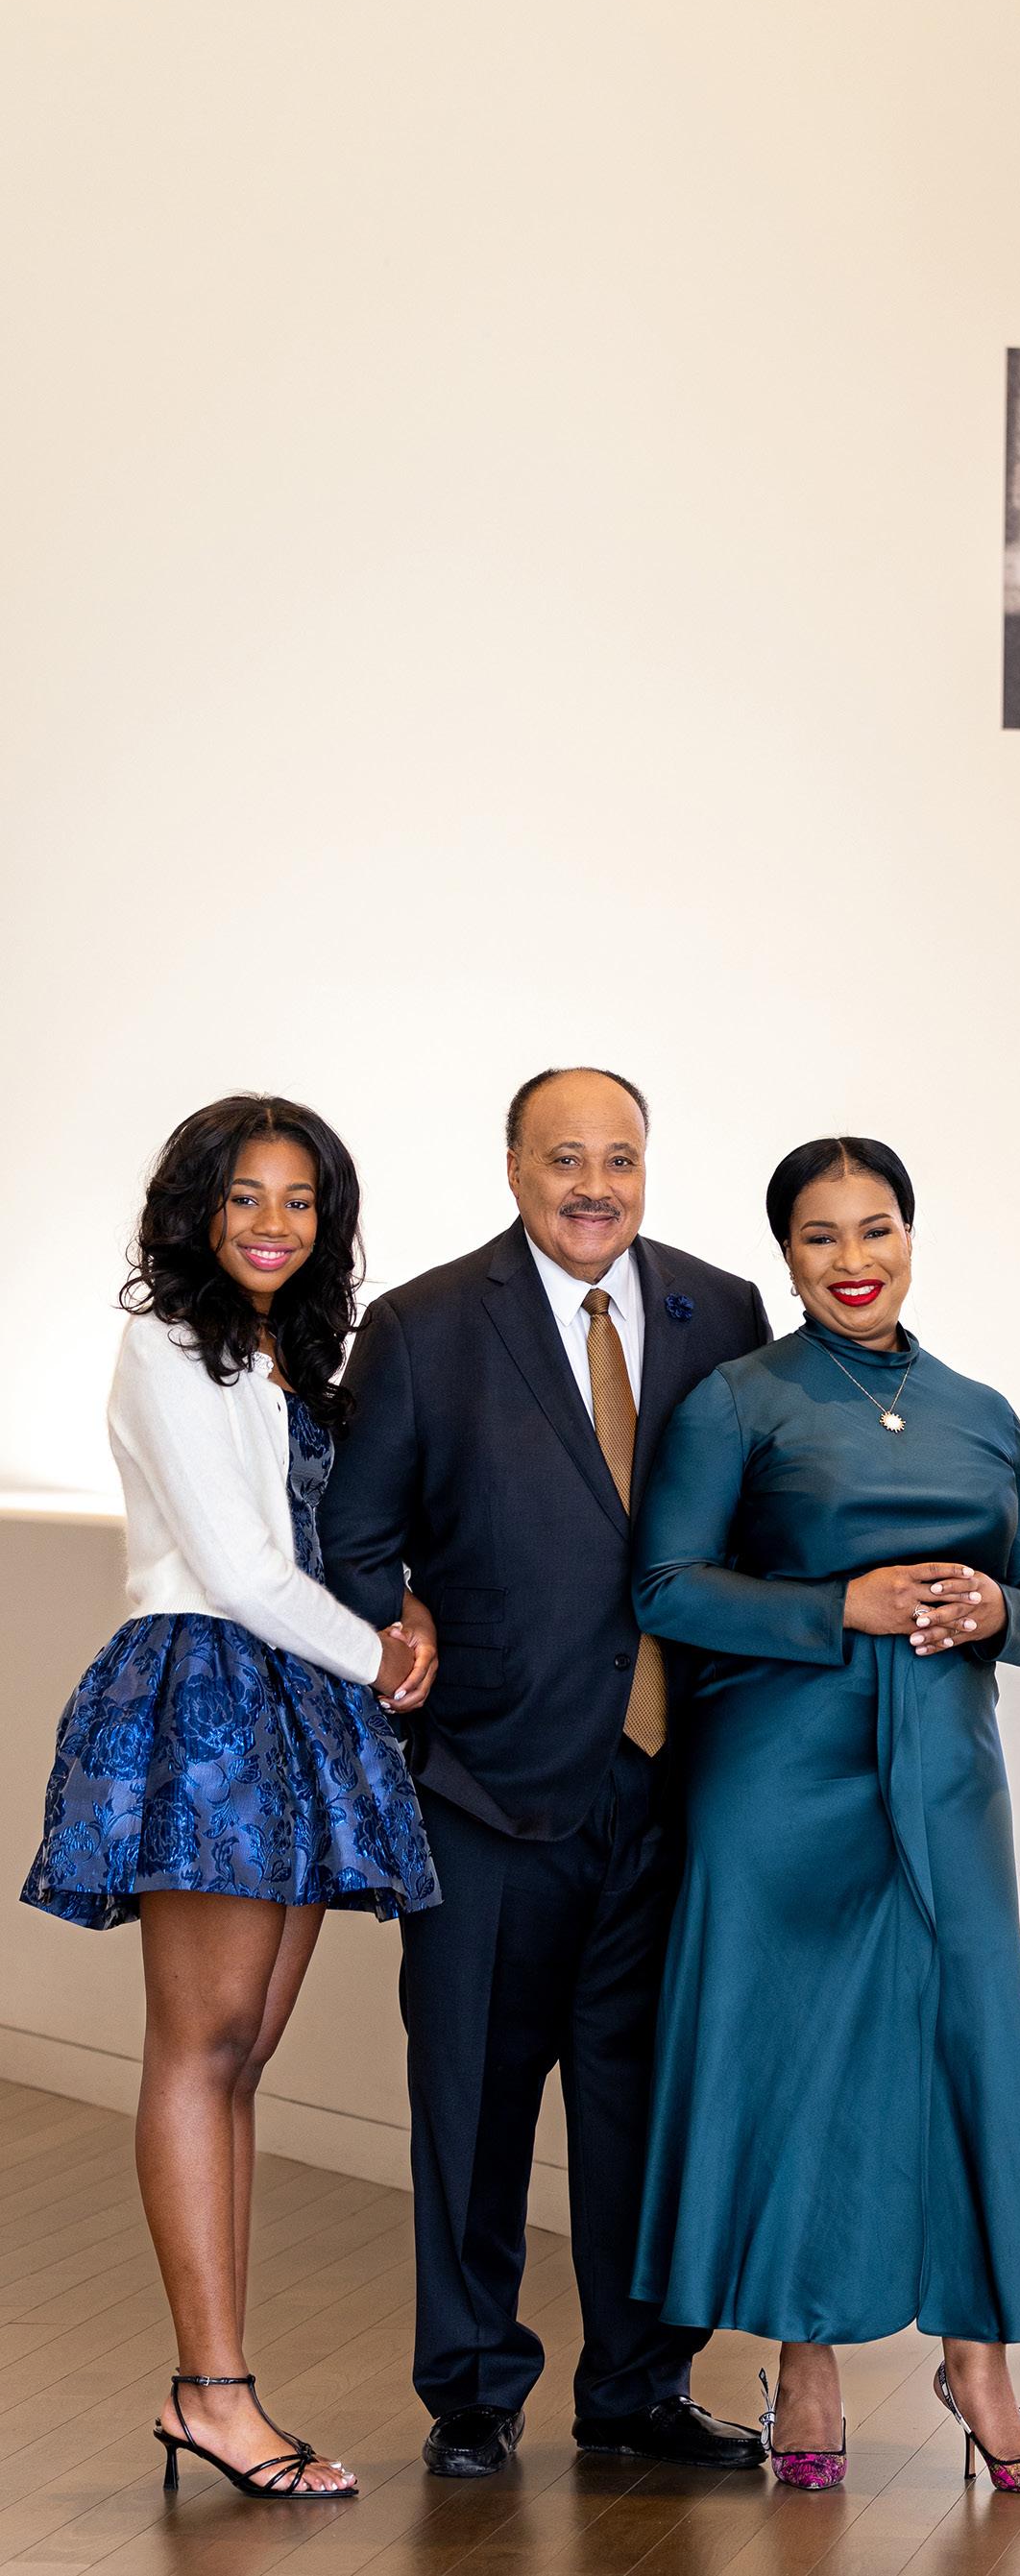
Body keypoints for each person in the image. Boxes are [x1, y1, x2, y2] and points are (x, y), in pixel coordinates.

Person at [318, 1067, 769, 2481]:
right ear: (514, 1167)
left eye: (619, 1158)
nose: (595, 1186)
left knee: (644, 2105)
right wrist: (406, 1638)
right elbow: (351, 1540)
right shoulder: (423, 1326)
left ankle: (637, 2387)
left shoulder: (722, 1312)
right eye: (566, 1157)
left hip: (672, 1786)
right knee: (475, 2103)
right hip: (489, 1785)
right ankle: (472, 2388)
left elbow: (762, 1519)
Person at [630, 1137, 1020, 2496]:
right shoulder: (739, 1399)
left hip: (945, 1771)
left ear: (910, 1237)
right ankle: (806, 2362)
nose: (853, 1260)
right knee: (800, 2060)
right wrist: (843, 1605)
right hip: (779, 1777)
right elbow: (664, 1585)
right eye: (820, 1236)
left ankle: (980, 2369)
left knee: (966, 2051)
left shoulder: (980, 1409)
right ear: (786, 1255)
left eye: (875, 1228)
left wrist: (998, 1609)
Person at [21, 1095, 439, 2502]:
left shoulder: (287, 1355)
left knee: (240, 2054)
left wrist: (401, 1611)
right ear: (196, 1208)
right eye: (245, 1195)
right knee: (200, 2050)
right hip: (206, 1693)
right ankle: (212, 2390)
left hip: (291, 1698)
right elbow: (241, 1567)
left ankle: (214, 2381)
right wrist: (380, 1657)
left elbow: (315, 1539)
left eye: (300, 1200)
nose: (273, 1223)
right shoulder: (165, 1342)